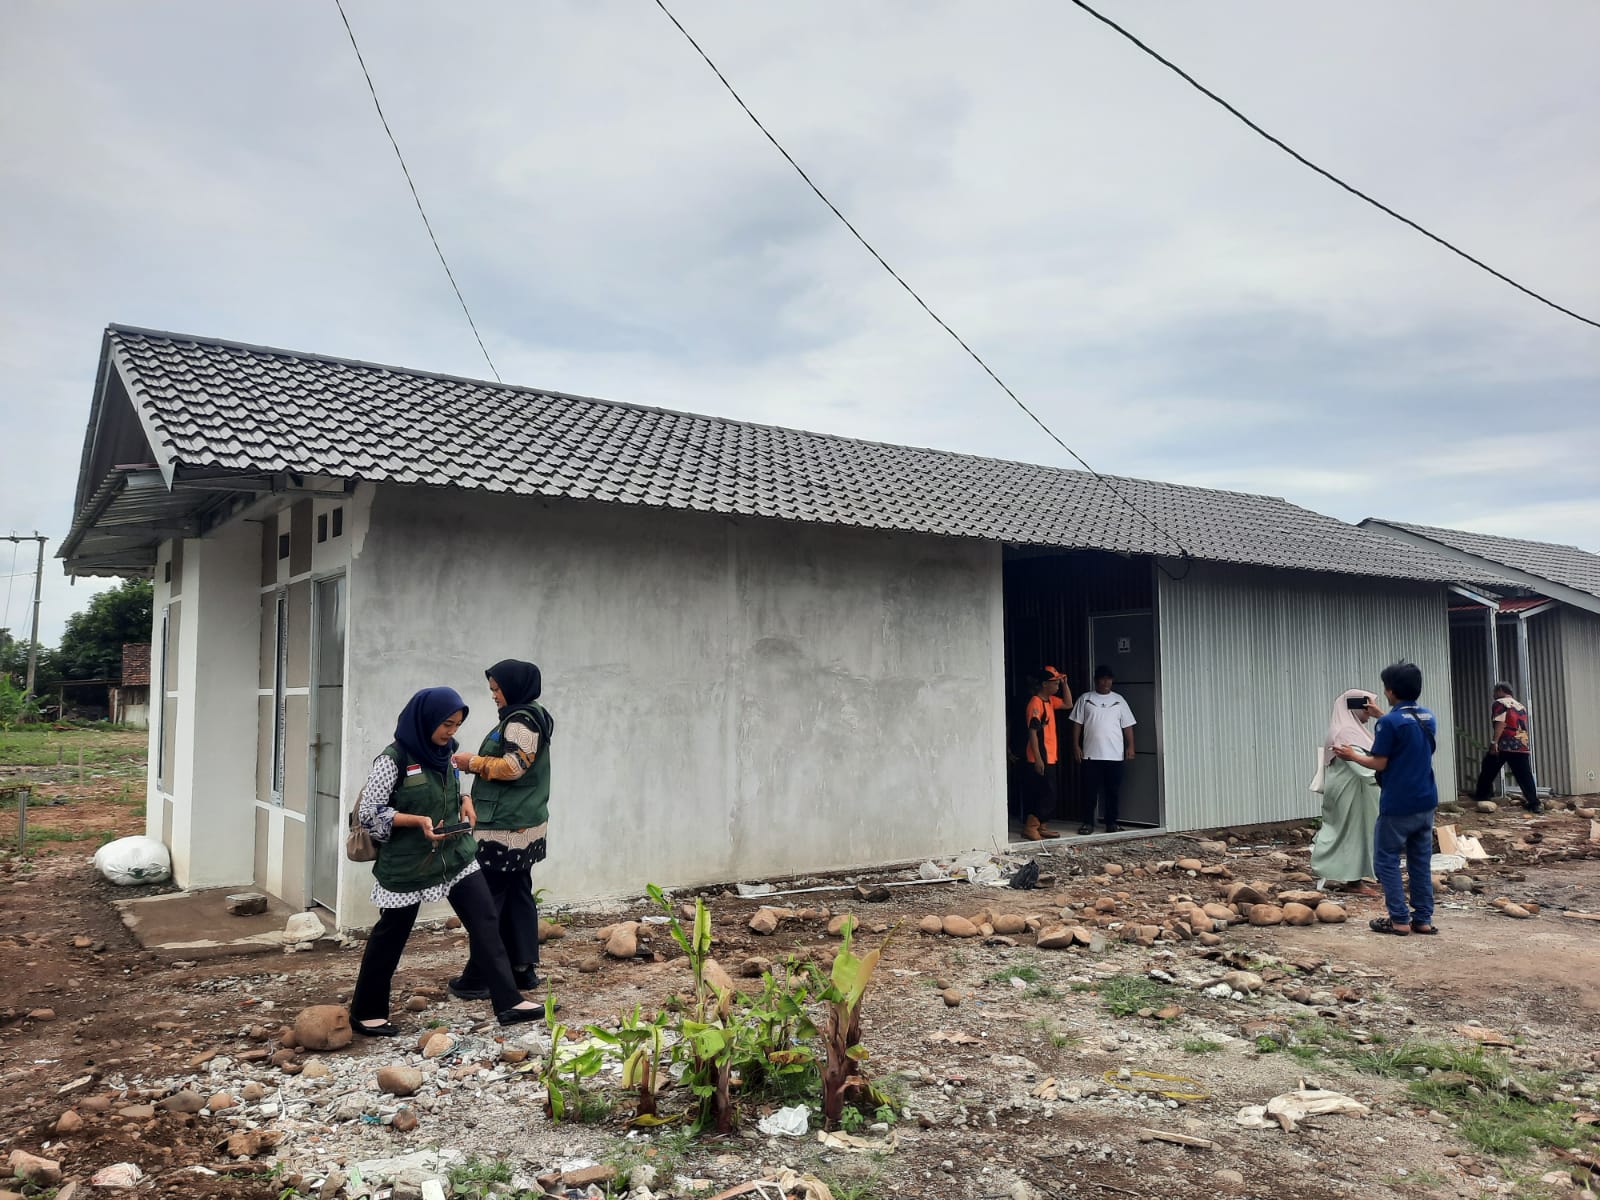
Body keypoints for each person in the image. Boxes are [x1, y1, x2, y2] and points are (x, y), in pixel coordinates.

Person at [348, 686, 543, 1034]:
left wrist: (465, 801)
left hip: (454, 854)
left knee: (485, 921)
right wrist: (416, 822)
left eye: (456, 725)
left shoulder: (447, 752)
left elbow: (452, 784)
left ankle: (509, 1001)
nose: (451, 732)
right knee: (391, 934)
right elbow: (370, 814)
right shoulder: (391, 760)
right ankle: (366, 1011)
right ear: (424, 721)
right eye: (446, 725)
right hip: (409, 862)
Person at [448, 660, 556, 999]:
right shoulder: (530, 714)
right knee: (517, 895)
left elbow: (513, 767)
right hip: (523, 825)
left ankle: (480, 975)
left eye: (497, 689)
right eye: (492, 689)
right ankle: (522, 970)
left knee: (488, 902)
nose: (494, 695)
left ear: (514, 686)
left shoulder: (521, 721)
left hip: (505, 829)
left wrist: (471, 764)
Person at [1333, 661, 1439, 937]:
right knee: (1419, 860)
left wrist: (1352, 755)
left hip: (1398, 802)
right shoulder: (1428, 716)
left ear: (1390, 691)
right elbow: (1406, 731)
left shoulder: (1389, 723)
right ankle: (1423, 919)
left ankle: (1399, 919)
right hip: (1426, 799)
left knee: (1386, 859)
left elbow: (1379, 763)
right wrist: (1383, 715)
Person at [1309, 689, 1382, 896]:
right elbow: (1364, 769)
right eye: (1366, 709)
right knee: (1349, 834)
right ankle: (1352, 880)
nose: (1369, 714)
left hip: (1354, 791)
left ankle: (1351, 876)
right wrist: (1387, 773)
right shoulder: (1346, 732)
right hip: (1350, 793)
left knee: (1352, 833)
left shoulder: (1351, 730)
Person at [1070, 666, 1137, 835]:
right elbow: (1077, 724)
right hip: (1091, 755)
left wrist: (1131, 746)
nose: (1106, 682)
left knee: (1112, 791)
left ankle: (1111, 823)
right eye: (1102, 678)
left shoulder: (1119, 700)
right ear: (1096, 680)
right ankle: (1087, 823)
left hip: (1114, 755)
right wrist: (1076, 746)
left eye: (1109, 679)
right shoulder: (1085, 699)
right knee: (1089, 791)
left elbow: (1128, 726)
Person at [1472, 683, 1540, 813]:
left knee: (1488, 768)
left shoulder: (1500, 703)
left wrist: (1494, 742)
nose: (1493, 695)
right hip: (1521, 744)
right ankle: (1534, 803)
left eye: (1494, 691)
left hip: (1505, 743)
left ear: (1500, 690)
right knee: (1524, 775)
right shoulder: (1520, 706)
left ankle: (1483, 795)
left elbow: (1501, 722)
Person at [1020, 673, 1063, 840]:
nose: (1058, 686)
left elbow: (1068, 703)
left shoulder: (1050, 701)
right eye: (1056, 683)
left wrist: (1065, 684)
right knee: (1047, 793)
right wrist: (1037, 758)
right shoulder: (1035, 703)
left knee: (1047, 792)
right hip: (1041, 755)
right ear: (1045, 684)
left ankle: (1042, 825)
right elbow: (1033, 732)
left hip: (1050, 754)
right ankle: (1031, 826)